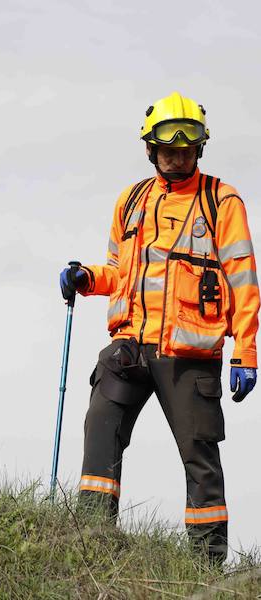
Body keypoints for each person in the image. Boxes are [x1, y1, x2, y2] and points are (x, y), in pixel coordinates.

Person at [59, 92, 259, 563]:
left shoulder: (221, 201)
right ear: (151, 149)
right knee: (99, 427)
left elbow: (244, 281)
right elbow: (118, 270)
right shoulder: (130, 201)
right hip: (129, 347)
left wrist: (246, 353)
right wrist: (87, 278)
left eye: (187, 149)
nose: (177, 156)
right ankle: (91, 547)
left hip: (189, 356)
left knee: (200, 459)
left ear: (200, 149)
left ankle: (206, 569)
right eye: (168, 149)